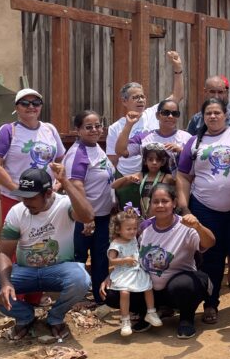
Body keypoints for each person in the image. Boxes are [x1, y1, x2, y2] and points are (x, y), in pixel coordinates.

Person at [0, 163, 94, 341]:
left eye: (31, 197)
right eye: (23, 197)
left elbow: (87, 216)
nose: (26, 202)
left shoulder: (64, 205)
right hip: (25, 272)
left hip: (58, 270)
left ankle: (56, 317)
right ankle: (25, 316)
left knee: (81, 279)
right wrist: (6, 283)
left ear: (48, 193)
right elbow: (4, 253)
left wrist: (65, 182)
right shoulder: (17, 212)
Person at [177, 97, 230, 324]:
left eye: (217, 113)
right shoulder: (193, 142)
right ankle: (210, 303)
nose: (213, 117)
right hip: (205, 208)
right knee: (210, 258)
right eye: (208, 113)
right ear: (203, 117)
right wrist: (184, 207)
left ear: (226, 115)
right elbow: (183, 176)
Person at [137, 184, 217, 339]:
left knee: (182, 285)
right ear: (150, 204)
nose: (160, 205)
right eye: (155, 201)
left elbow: (210, 242)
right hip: (151, 288)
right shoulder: (144, 227)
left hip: (180, 284)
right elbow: (132, 256)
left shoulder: (185, 225)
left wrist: (198, 226)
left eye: (164, 201)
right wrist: (110, 277)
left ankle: (186, 319)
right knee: (113, 293)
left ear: (174, 203)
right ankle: (149, 313)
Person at [107, 52, 185, 206]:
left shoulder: (154, 112)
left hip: (156, 177)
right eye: (135, 97)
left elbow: (177, 96)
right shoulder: (115, 127)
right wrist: (112, 193)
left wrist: (178, 69)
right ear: (124, 101)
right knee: (130, 222)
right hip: (129, 178)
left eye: (142, 96)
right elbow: (113, 160)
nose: (141, 100)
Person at [0, 87, 65, 221]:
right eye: (25, 103)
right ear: (16, 108)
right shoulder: (8, 130)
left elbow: (60, 158)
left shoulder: (50, 129)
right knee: (16, 239)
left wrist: (58, 183)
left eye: (36, 103)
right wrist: (17, 190)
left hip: (46, 197)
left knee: (47, 239)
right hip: (16, 199)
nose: (31, 106)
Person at [63, 110, 116, 304]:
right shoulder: (78, 153)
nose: (95, 130)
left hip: (101, 216)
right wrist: (86, 218)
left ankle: (101, 299)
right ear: (78, 130)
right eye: (88, 127)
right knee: (78, 259)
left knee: (101, 258)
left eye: (98, 126)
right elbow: (76, 186)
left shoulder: (95, 148)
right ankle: (73, 300)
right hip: (85, 219)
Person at [103, 208, 162, 337]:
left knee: (148, 287)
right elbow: (111, 261)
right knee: (124, 292)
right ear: (118, 229)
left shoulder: (134, 239)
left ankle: (151, 312)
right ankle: (125, 320)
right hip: (124, 272)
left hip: (137, 270)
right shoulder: (116, 243)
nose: (132, 232)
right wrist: (124, 260)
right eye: (128, 229)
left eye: (134, 228)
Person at [116, 97, 192, 175]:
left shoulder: (187, 138)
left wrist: (181, 151)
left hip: (179, 185)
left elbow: (196, 162)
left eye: (175, 114)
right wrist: (128, 125)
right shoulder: (144, 138)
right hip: (151, 185)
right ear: (157, 115)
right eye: (166, 113)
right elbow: (121, 152)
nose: (170, 116)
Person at [138, 144, 175, 218]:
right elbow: (114, 185)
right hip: (144, 218)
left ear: (163, 162)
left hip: (162, 218)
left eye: (158, 160)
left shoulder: (168, 177)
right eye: (150, 159)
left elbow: (177, 193)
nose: (154, 162)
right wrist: (127, 178)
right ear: (145, 161)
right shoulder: (141, 175)